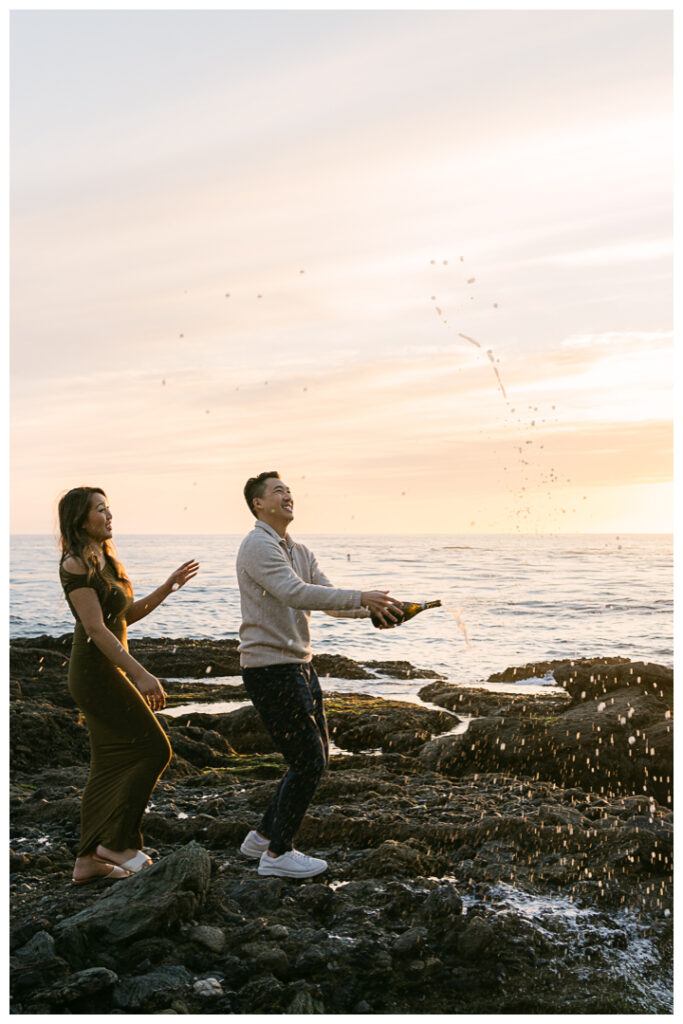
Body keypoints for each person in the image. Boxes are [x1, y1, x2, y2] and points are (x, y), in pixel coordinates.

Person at [236, 471, 402, 879]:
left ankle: (261, 836)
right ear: (258, 504)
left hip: (298, 665)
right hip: (270, 668)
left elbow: (327, 600)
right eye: (278, 491)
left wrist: (376, 611)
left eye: (289, 490)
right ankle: (277, 855)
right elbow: (294, 593)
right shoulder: (257, 545)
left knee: (315, 755)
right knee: (308, 761)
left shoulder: (298, 549)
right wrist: (361, 595)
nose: (288, 496)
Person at [57, 486, 199, 884]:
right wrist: (140, 673)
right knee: (155, 749)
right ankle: (118, 843)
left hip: (106, 671)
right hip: (94, 674)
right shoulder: (74, 564)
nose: (109, 515)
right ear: (81, 519)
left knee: (106, 766)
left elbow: (124, 617)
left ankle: (87, 861)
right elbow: (96, 631)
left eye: (108, 507)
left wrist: (168, 587)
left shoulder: (103, 558)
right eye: (100, 510)